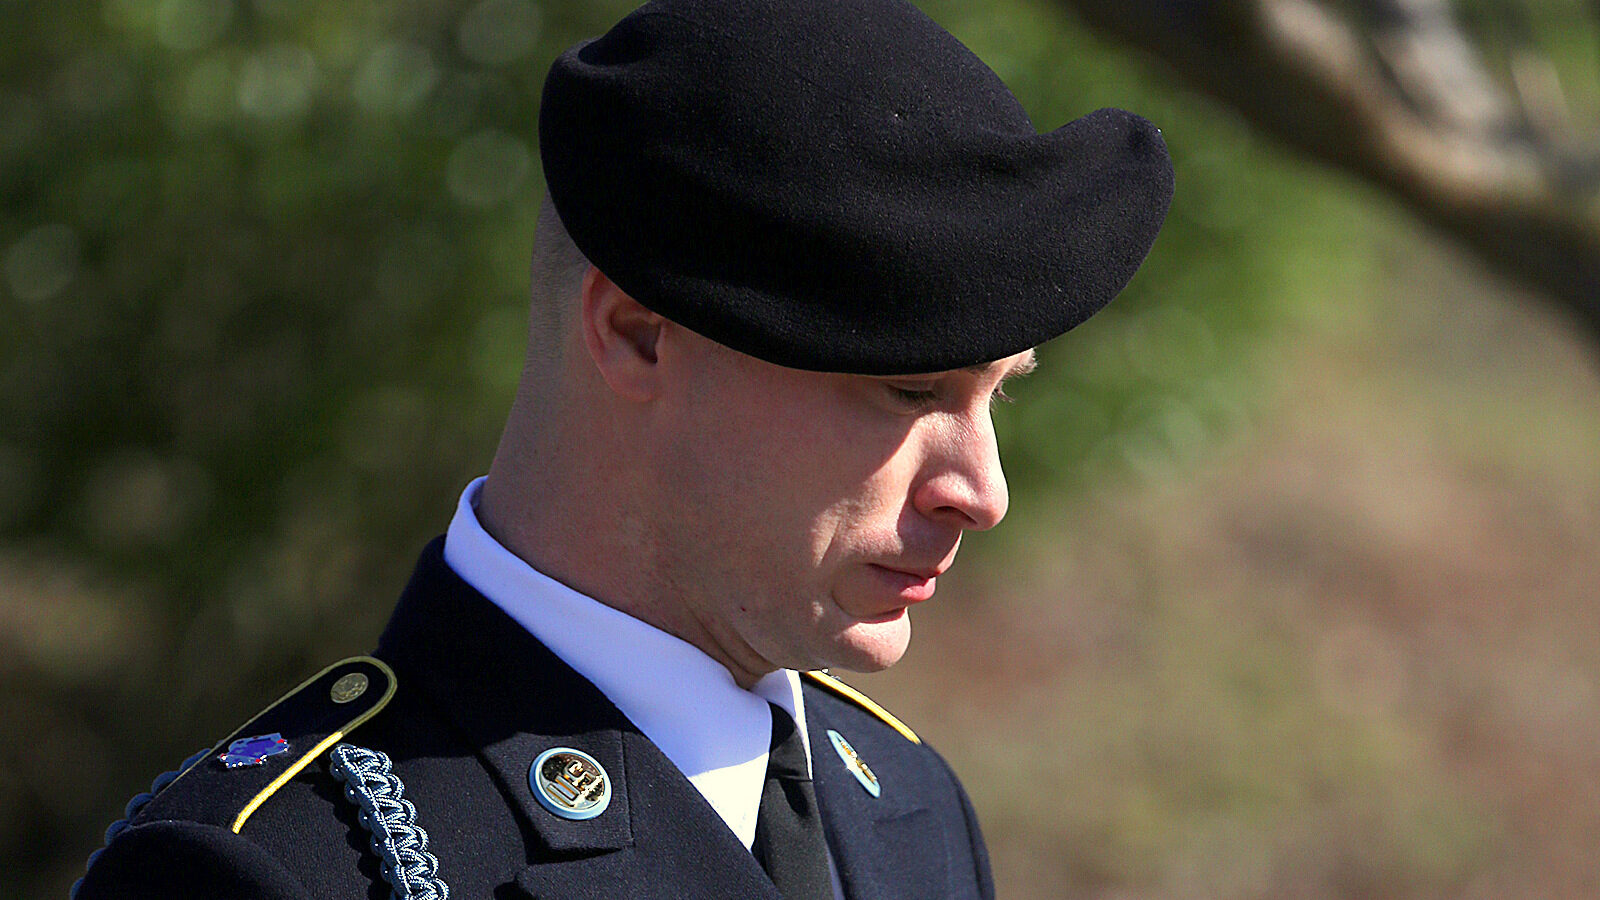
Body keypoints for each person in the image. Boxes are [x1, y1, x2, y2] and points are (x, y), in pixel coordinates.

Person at [74, 0, 1172, 896]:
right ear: (636, 334)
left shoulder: (903, 798)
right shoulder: (277, 871)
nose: (981, 491)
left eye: (995, 397)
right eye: (908, 388)